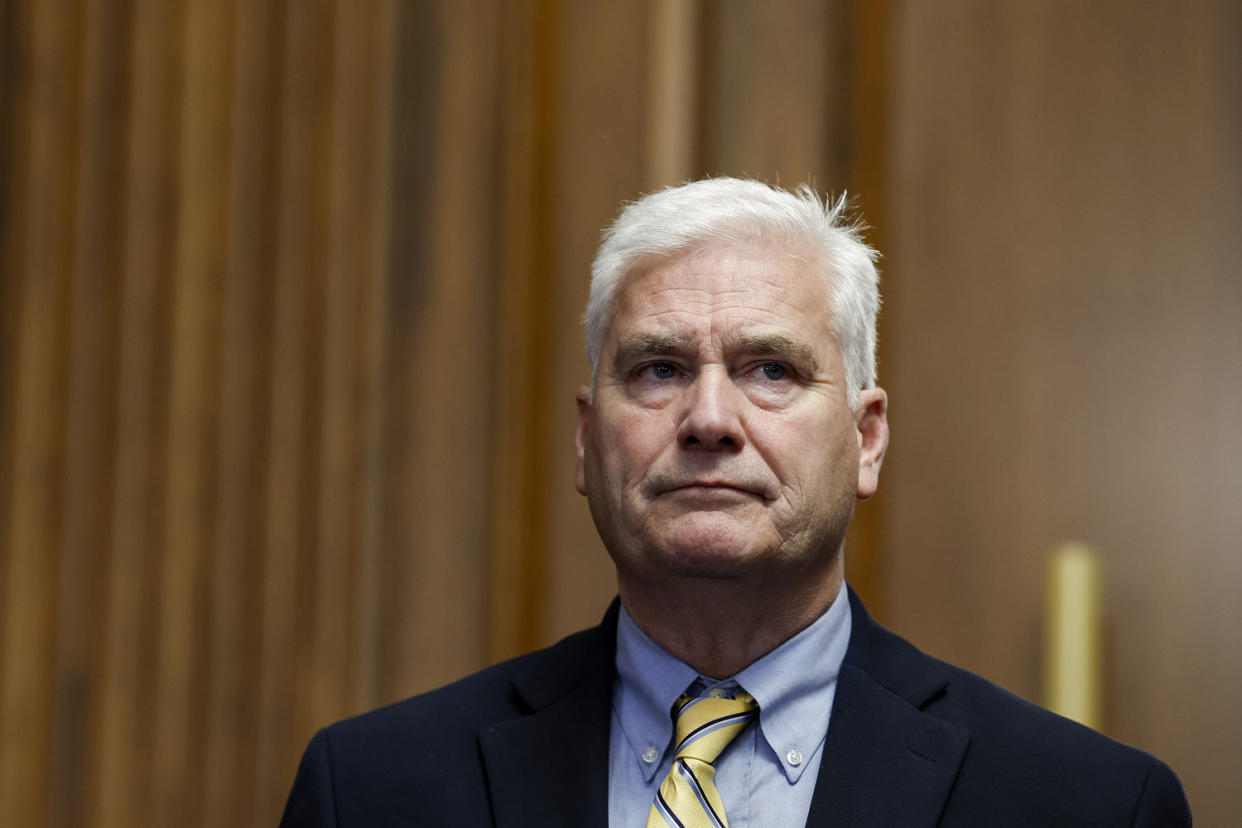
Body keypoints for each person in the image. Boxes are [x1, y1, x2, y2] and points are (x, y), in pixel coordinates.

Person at [279, 178, 1191, 826]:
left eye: (770, 369)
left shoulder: (1090, 804)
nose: (709, 418)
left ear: (865, 438)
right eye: (659, 369)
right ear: (587, 442)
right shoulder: (370, 790)